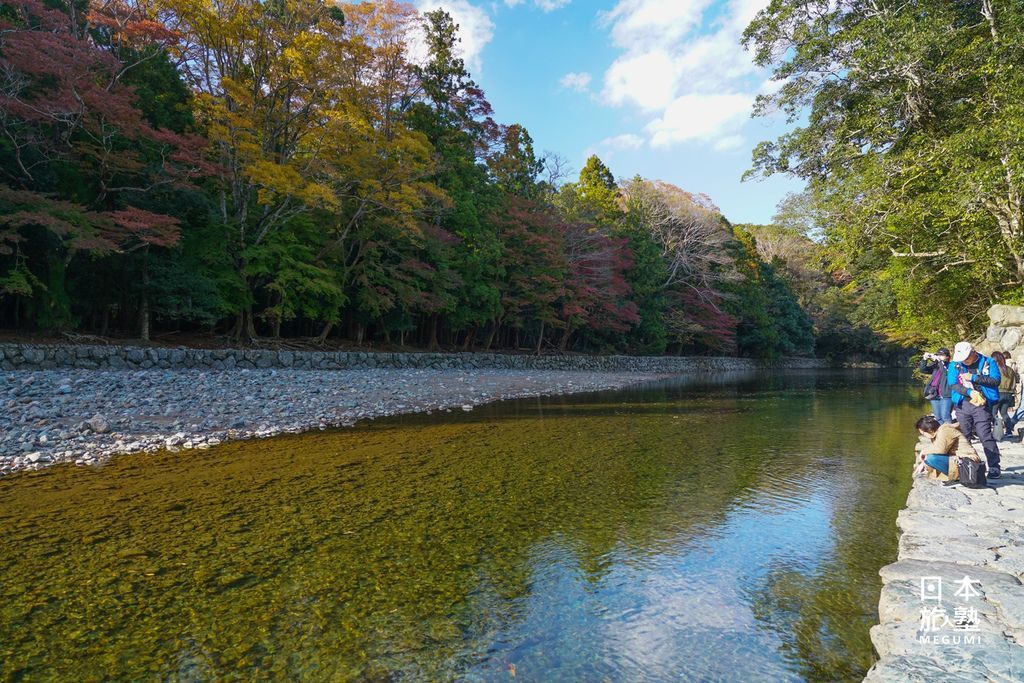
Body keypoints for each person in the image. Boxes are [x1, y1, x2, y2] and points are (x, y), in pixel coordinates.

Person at [948, 341, 1002, 478]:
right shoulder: (955, 365)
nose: (964, 361)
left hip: (982, 404)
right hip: (962, 404)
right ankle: (966, 465)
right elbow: (953, 384)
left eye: (966, 357)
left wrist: (974, 377)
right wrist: (968, 392)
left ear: (973, 352)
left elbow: (996, 381)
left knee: (984, 435)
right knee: (964, 436)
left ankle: (994, 466)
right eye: (962, 358)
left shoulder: (988, 362)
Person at [914, 415, 983, 481]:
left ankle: (958, 477)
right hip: (960, 460)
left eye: (923, 433)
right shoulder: (939, 433)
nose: (923, 436)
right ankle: (955, 476)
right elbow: (936, 449)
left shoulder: (945, 431)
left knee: (932, 458)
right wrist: (924, 463)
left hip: (968, 463)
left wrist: (924, 451)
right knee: (930, 458)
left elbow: (941, 450)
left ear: (930, 430)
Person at [919, 347, 953, 424]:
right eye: (938, 355)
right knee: (938, 417)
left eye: (941, 355)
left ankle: (950, 433)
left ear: (947, 357)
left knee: (945, 416)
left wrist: (939, 361)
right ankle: (942, 433)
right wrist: (924, 359)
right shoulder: (936, 365)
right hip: (934, 394)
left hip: (947, 394)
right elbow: (923, 370)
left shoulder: (951, 366)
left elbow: (945, 372)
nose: (939, 356)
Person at [991, 351, 1017, 440]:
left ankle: (996, 431)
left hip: (997, 393)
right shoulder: (1010, 370)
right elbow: (1015, 382)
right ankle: (1009, 431)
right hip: (1008, 394)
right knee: (1004, 413)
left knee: (993, 413)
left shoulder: (995, 369)